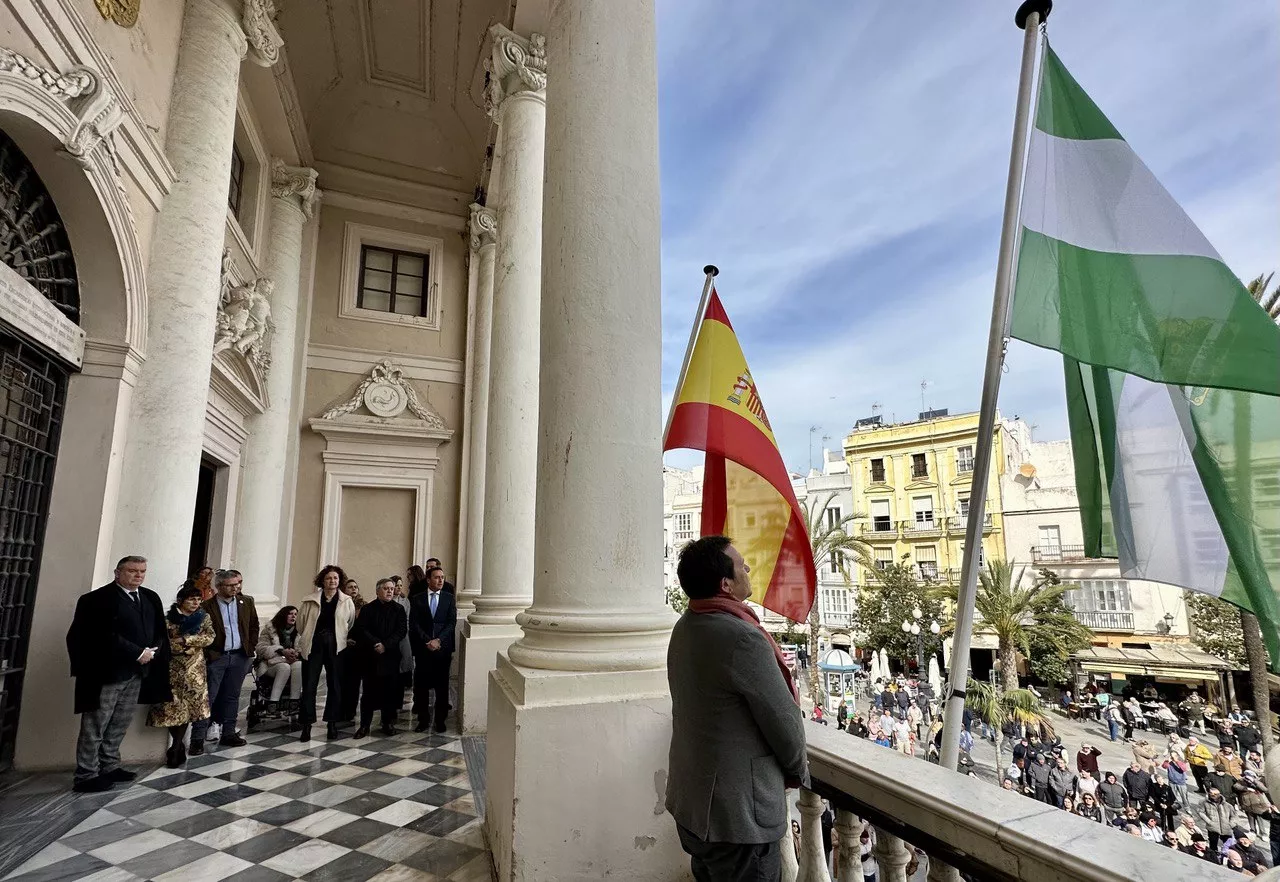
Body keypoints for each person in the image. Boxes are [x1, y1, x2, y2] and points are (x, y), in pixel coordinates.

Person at [665, 536, 806, 881]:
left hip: (694, 805)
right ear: (725, 584)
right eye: (741, 565)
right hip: (738, 818)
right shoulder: (742, 638)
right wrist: (796, 770)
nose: (748, 568)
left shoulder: (685, 626)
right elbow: (784, 723)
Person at [66, 556, 171, 791]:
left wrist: (152, 651)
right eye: (132, 571)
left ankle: (109, 765)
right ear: (117, 572)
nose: (138, 575)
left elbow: (158, 630)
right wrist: (137, 652)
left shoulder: (149, 597)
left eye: (142, 571)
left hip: (137, 672)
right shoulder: (97, 599)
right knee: (96, 724)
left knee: (119, 722)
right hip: (105, 672)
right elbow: (98, 635)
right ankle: (86, 774)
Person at [147, 581, 215, 767]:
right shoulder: (168, 619)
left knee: (188, 708)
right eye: (191, 599)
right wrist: (179, 646)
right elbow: (163, 640)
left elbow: (209, 637)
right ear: (180, 601)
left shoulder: (203, 617)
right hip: (172, 667)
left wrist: (187, 639)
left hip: (194, 668)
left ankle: (176, 747)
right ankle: (176, 746)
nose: (195, 603)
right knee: (172, 707)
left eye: (198, 600)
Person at [189, 569, 258, 754]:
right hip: (217, 657)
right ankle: (198, 738)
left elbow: (253, 626)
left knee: (232, 696)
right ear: (219, 586)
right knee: (208, 697)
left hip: (239, 656)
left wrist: (249, 649)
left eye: (238, 583)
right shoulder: (207, 606)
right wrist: (209, 654)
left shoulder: (247, 602)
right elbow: (199, 632)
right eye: (231, 585)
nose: (236, 587)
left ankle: (229, 732)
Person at [297, 565, 356, 741]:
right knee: (309, 686)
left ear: (340, 581)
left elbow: (349, 622)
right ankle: (306, 726)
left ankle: (332, 724)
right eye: (329, 578)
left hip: (336, 646)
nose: (332, 581)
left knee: (335, 686)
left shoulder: (347, 601)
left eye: (336, 578)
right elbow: (301, 624)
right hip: (314, 645)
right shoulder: (310, 600)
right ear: (323, 580)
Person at [351, 578, 408, 737]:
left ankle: (387, 723)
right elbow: (362, 629)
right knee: (368, 692)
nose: (390, 591)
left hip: (390, 656)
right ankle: (364, 725)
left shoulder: (399, 609)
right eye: (386, 588)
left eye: (391, 588)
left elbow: (401, 631)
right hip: (371, 656)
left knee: (390, 691)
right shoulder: (368, 609)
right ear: (377, 591)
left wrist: (386, 645)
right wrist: (376, 643)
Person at [410, 566, 456, 733]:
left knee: (442, 686)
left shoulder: (449, 598)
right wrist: (428, 640)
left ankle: (440, 720)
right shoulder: (417, 599)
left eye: (442, 577)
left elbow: (451, 623)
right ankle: (423, 720)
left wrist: (438, 640)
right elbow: (414, 624)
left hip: (442, 649)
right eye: (436, 577)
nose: (440, 580)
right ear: (428, 580)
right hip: (423, 649)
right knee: (421, 686)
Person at [256, 605, 302, 710]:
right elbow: (261, 648)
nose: (293, 616)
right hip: (271, 665)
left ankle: (294, 701)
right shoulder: (269, 629)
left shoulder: (299, 631)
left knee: (299, 665)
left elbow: (304, 648)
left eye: (295, 614)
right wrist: (281, 650)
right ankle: (273, 701)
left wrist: (296, 654)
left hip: (292, 662)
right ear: (283, 615)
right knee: (284, 667)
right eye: (290, 614)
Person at [337, 578, 365, 723]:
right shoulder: (340, 605)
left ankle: (350, 710)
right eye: (350, 587)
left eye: (355, 587)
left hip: (358, 648)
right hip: (342, 647)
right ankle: (339, 709)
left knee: (354, 682)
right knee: (341, 680)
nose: (354, 589)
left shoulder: (364, 607)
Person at [1199, 787, 1247, 853]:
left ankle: (1226, 856)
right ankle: (1213, 856)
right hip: (1213, 827)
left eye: (1215, 794)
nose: (1213, 795)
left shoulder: (1228, 805)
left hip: (1226, 828)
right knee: (1213, 844)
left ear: (1219, 794)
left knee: (1228, 845)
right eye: (1211, 794)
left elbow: (1234, 816)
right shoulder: (1204, 803)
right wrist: (1209, 822)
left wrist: (1230, 824)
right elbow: (1201, 812)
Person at [1239, 770, 1273, 838]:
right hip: (1247, 803)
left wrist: (1254, 781)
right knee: (1250, 818)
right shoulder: (1241, 781)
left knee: (1260, 819)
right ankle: (1252, 831)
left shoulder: (1258, 781)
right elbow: (1236, 786)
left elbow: (1265, 789)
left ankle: (1263, 833)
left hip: (1258, 803)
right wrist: (1246, 788)